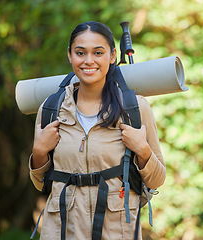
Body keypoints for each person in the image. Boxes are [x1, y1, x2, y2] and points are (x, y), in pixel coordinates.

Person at [29, 21, 166, 240]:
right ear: (70, 55)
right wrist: (38, 153)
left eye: (98, 52)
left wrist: (143, 150)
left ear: (112, 56)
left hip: (117, 232)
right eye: (80, 52)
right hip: (63, 232)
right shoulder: (51, 109)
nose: (88, 60)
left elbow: (157, 180)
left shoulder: (135, 108)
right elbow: (41, 184)